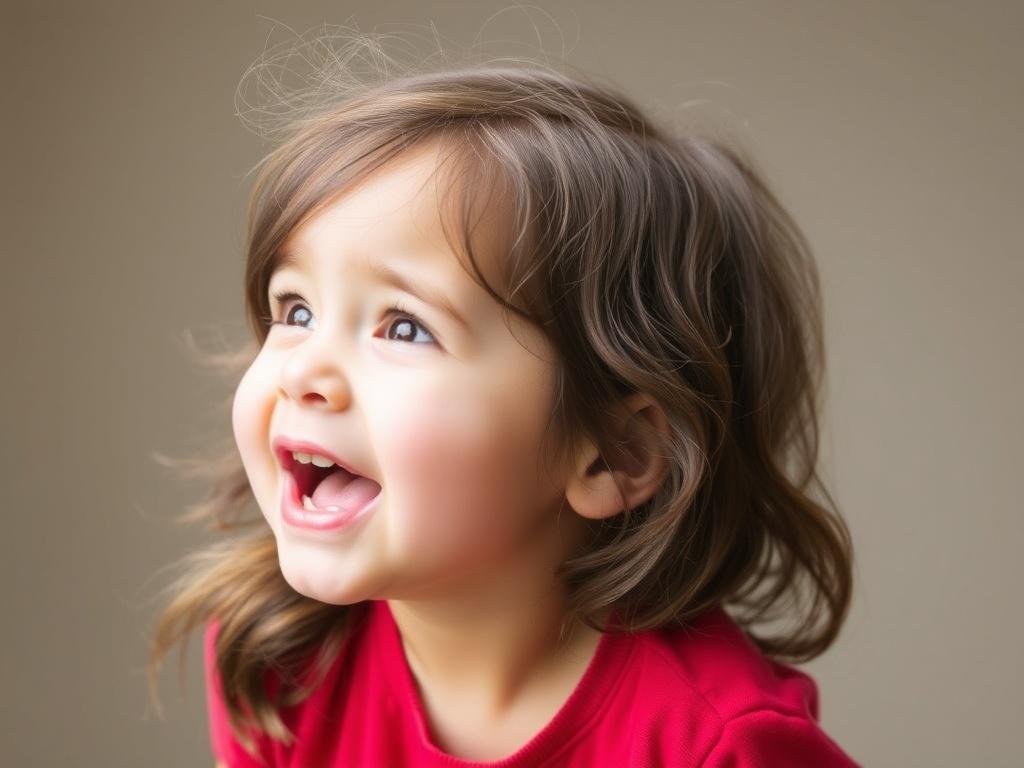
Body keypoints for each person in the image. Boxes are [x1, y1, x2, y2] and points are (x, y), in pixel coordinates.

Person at [147, 54, 861, 767]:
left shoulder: (716, 746)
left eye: (404, 327)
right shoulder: (277, 660)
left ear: (614, 454)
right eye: (295, 310)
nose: (302, 370)